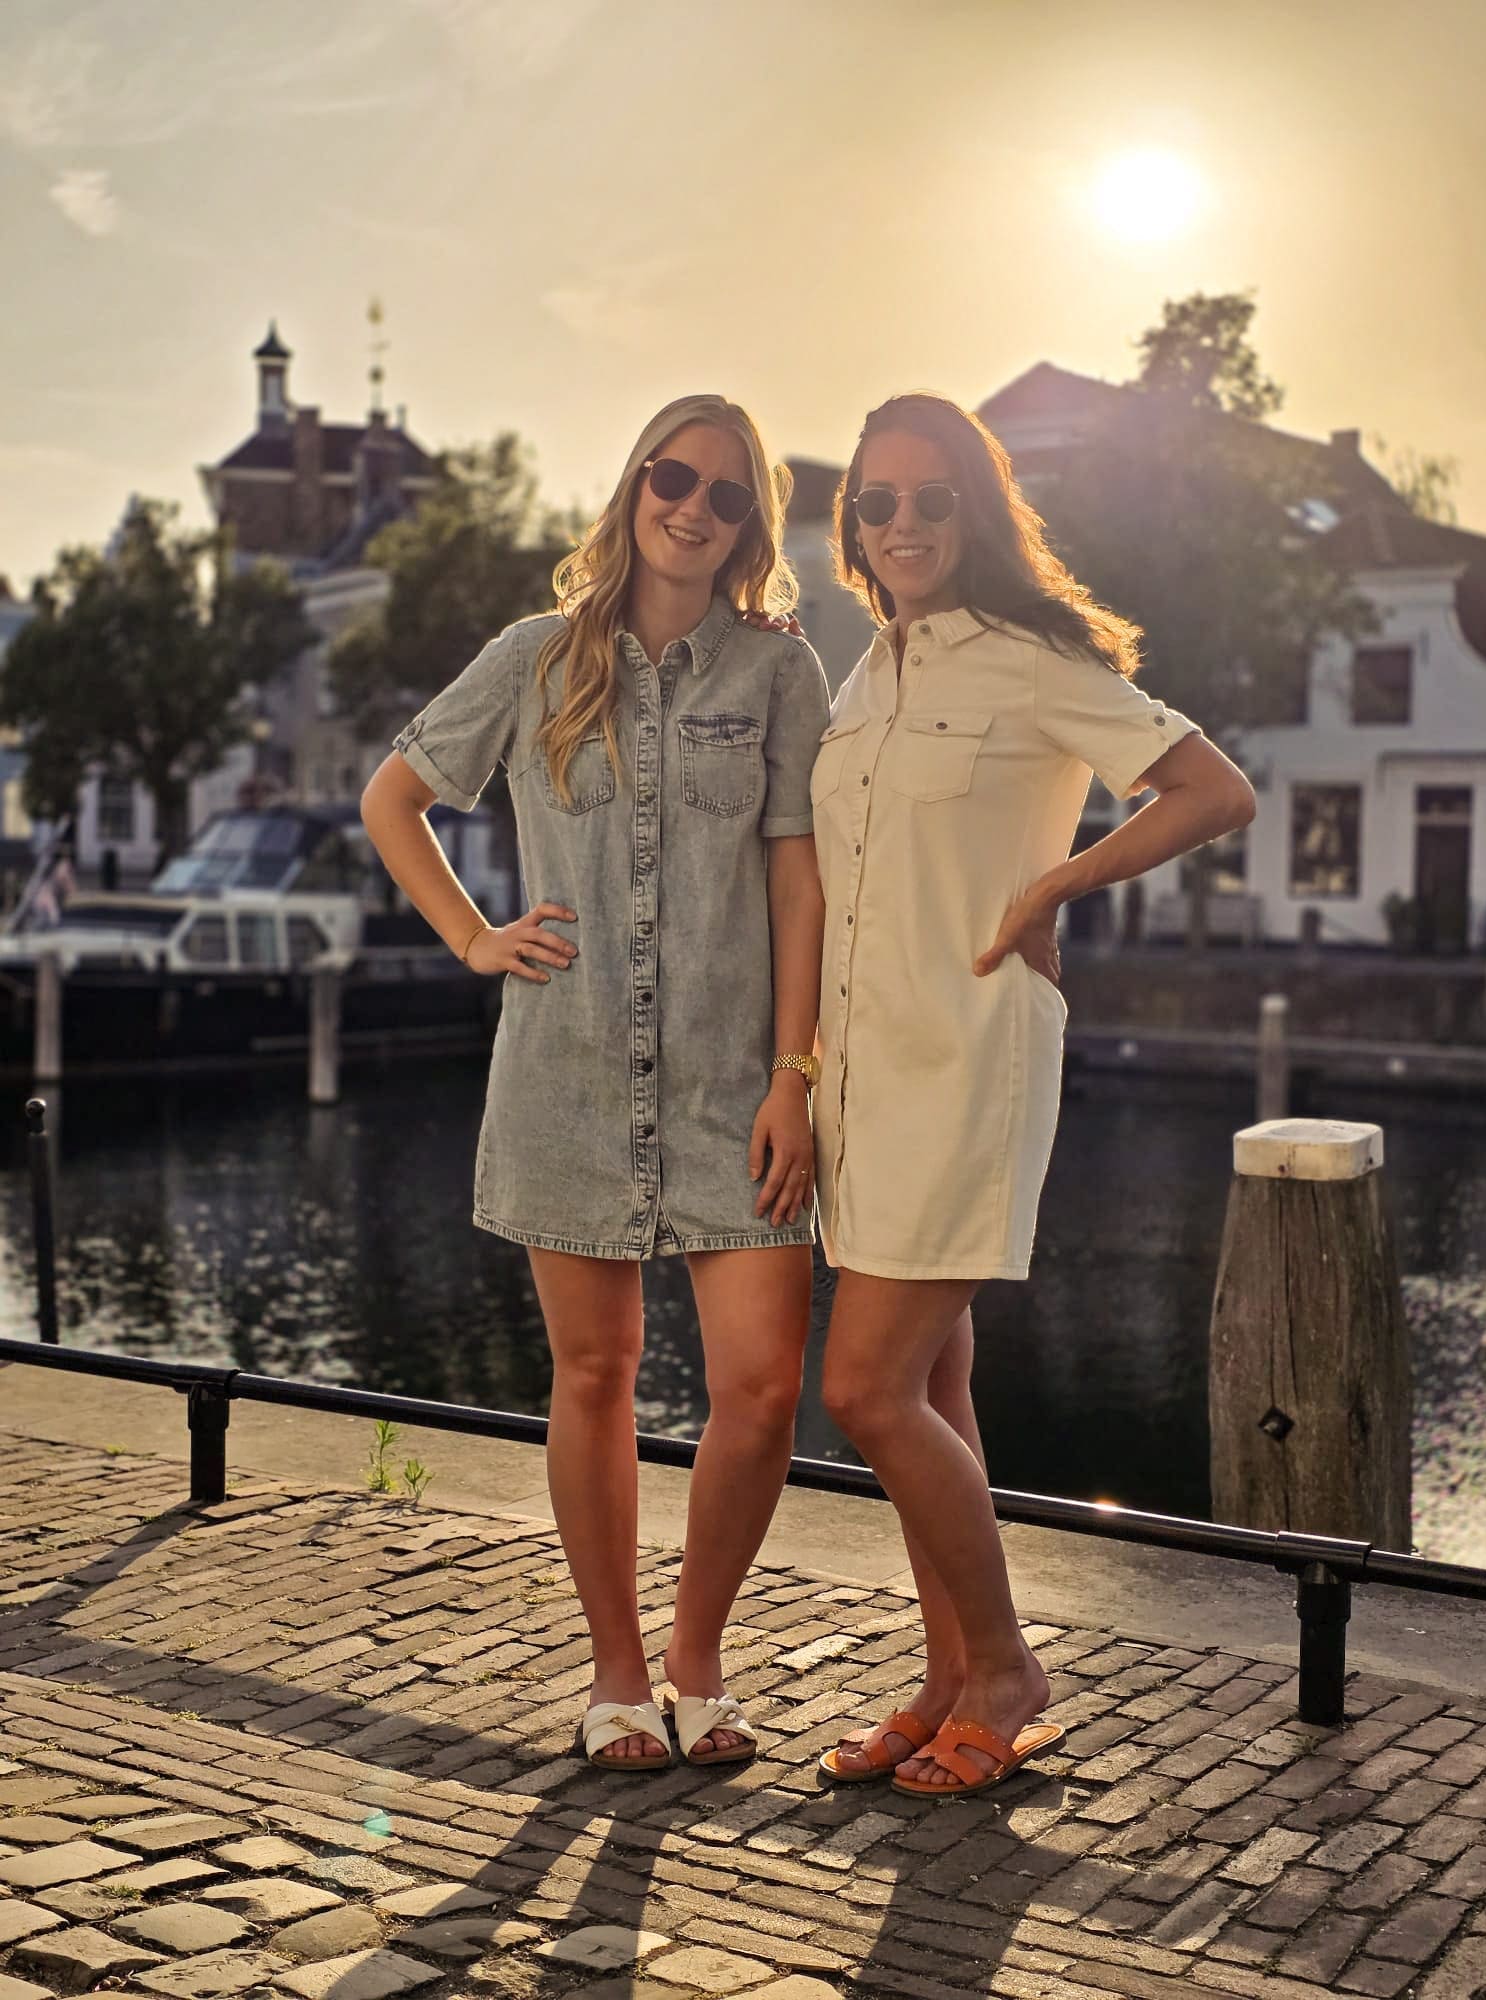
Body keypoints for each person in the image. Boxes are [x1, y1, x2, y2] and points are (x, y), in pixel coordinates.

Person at [361, 395, 829, 1773]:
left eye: (727, 494)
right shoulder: (534, 657)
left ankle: (698, 1657)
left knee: (762, 1388)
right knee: (594, 1373)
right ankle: (618, 1672)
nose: (693, 507)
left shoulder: (780, 673)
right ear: (634, 488)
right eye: (673, 477)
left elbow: (799, 886)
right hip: (565, 1072)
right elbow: (395, 799)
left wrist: (794, 1073)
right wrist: (474, 939)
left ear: (750, 526)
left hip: (735, 1085)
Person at [811, 394, 1255, 1800]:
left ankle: (1006, 1668)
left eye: (933, 498)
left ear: (976, 513)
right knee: (934, 1383)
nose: (904, 523)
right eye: (878, 502)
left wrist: (1057, 883)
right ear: (855, 526)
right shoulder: (862, 678)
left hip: (969, 1059)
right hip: (859, 1076)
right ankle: (948, 1678)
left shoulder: (1031, 658)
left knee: (865, 1387)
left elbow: (1213, 790)